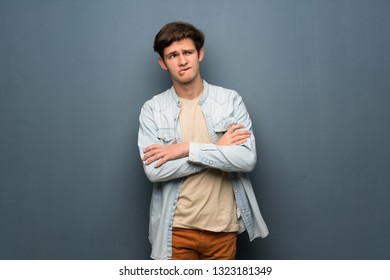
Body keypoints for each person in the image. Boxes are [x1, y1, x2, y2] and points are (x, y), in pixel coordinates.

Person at [138, 21, 268, 260]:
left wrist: (186, 148)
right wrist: (218, 150)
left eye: (187, 52)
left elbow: (247, 159)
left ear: (200, 54)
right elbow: (154, 171)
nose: (182, 60)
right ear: (163, 63)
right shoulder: (152, 109)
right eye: (173, 55)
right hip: (175, 230)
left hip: (223, 228)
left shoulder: (230, 100)